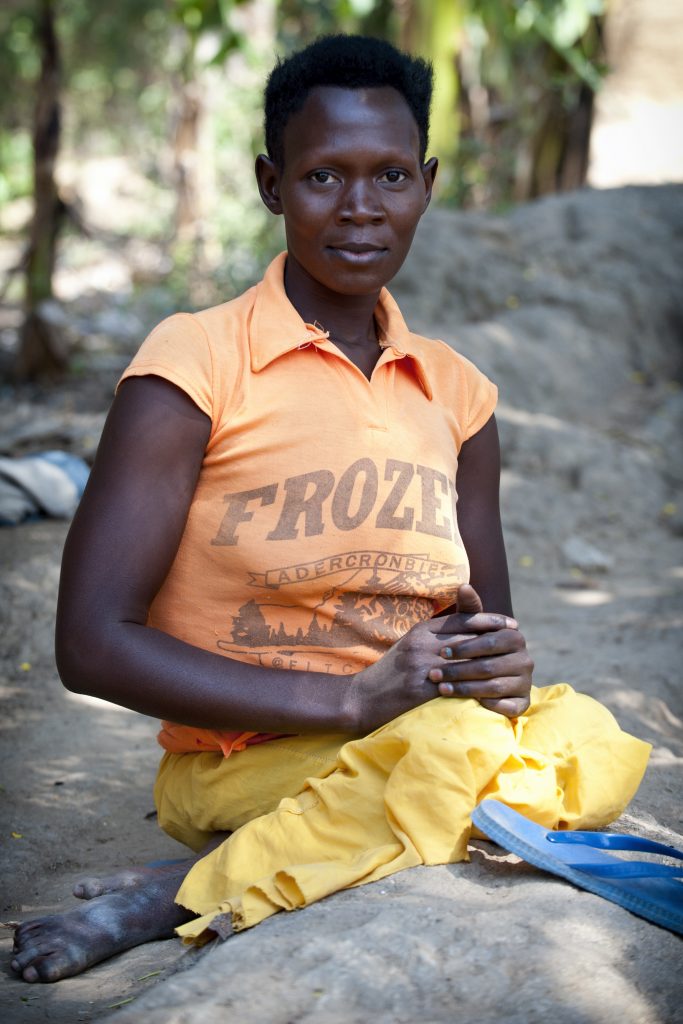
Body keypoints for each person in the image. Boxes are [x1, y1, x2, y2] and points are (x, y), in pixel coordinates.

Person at [11, 35, 650, 984]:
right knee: (464, 758)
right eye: (323, 177)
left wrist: (502, 666)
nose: (360, 209)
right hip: (246, 752)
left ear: (427, 184)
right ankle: (183, 896)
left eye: (391, 175)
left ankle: (219, 870)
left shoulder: (458, 396)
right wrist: (348, 700)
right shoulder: (194, 365)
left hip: (419, 736)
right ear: (272, 185)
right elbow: (90, 645)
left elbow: (482, 636)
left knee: (591, 739)